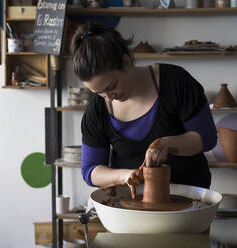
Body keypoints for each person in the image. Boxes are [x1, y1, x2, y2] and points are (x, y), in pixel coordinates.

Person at [71, 22, 217, 191]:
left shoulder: (175, 81)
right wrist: (124, 176)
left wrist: (166, 144)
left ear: (126, 62)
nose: (109, 98)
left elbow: (208, 137)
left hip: (187, 194)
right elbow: (90, 170)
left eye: (111, 86)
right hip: (133, 200)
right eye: (99, 92)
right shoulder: (97, 109)